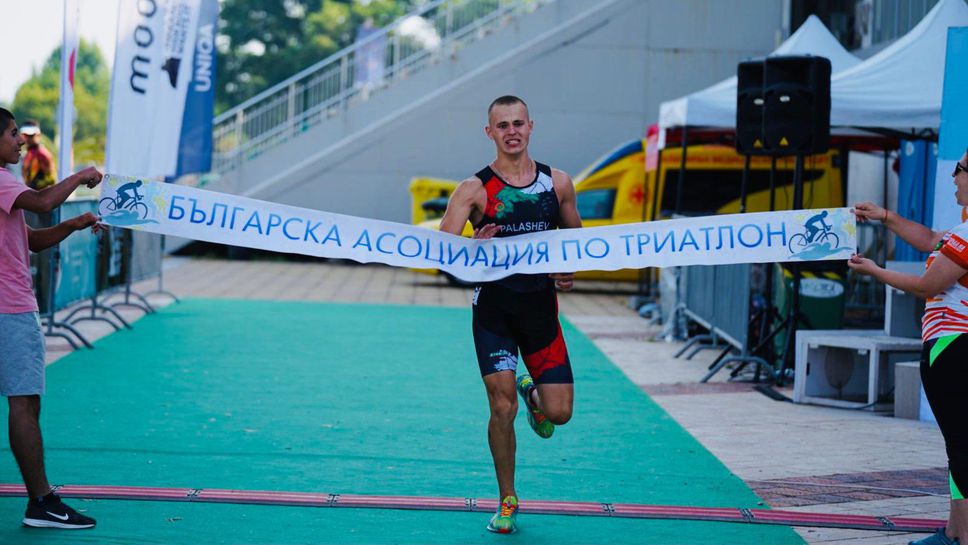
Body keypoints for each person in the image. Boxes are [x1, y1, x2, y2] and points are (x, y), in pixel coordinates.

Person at [439, 95, 582, 534]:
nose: (512, 131)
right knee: (500, 408)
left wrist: (566, 271)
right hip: (494, 316)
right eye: (502, 125)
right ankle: (506, 499)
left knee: (559, 415)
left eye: (518, 123)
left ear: (531, 126)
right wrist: (472, 248)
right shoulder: (474, 189)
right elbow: (442, 254)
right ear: (490, 133)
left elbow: (575, 244)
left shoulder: (557, 184)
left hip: (541, 315)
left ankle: (534, 396)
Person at [848, 146, 968, 545]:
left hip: (953, 347)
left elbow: (928, 285)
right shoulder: (961, 232)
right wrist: (886, 217)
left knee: (961, 444)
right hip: (953, 347)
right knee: (960, 443)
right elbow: (933, 239)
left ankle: (959, 536)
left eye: (960, 169)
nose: (953, 177)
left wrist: (875, 271)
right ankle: (955, 532)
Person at [0, 108, 104, 529]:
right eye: (11, 134)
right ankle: (41, 501)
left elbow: (33, 241)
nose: (20, 142)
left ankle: (41, 500)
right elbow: (43, 203)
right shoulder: (3, 182)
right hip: (10, 308)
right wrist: (80, 177)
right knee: (24, 404)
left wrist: (77, 223)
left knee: (24, 403)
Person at [19, 120, 56, 191]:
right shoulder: (28, 153)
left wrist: (34, 186)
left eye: (31, 135)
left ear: (38, 135)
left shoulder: (42, 154)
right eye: (25, 135)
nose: (27, 138)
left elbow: (51, 180)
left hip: (40, 196)